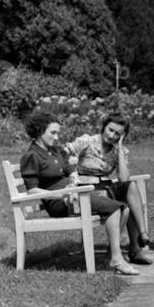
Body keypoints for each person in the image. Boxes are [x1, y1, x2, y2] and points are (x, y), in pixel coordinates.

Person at [19, 111, 140, 276]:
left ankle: (112, 255)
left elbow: (70, 169)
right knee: (115, 209)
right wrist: (63, 194)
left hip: (75, 194)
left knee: (123, 209)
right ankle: (117, 259)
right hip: (60, 203)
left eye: (57, 133)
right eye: (53, 133)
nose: (56, 137)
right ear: (40, 131)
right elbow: (32, 190)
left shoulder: (54, 150)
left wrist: (74, 180)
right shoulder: (32, 156)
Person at [64, 113, 153, 268]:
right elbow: (62, 155)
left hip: (106, 189)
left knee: (130, 186)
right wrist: (72, 174)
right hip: (87, 192)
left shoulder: (120, 150)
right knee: (125, 204)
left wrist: (119, 149)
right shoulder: (87, 141)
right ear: (104, 127)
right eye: (110, 130)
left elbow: (124, 178)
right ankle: (134, 247)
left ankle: (140, 237)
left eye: (117, 134)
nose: (112, 136)